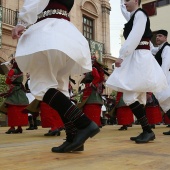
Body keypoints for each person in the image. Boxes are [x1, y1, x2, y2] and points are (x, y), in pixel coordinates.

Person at [12, 0, 100, 152]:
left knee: (42, 87)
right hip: (64, 32)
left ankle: (84, 124)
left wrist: (23, 21)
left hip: (48, 32)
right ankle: (74, 138)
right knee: (60, 88)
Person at [106, 0, 167, 143]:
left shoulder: (140, 14)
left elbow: (135, 36)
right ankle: (147, 130)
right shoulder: (135, 16)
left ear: (135, 1)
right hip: (138, 57)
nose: (124, 3)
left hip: (139, 58)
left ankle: (148, 130)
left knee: (129, 97)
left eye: (127, 0)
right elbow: (125, 12)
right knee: (136, 97)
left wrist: (122, 55)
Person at [0, 59, 29, 134]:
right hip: (20, 91)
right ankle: (19, 127)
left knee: (12, 109)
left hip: (14, 91)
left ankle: (12, 127)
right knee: (20, 109)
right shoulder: (21, 72)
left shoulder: (12, 71)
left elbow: (7, 81)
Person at [150, 29, 170, 135]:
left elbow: (166, 65)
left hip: (167, 78)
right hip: (164, 78)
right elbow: (152, 50)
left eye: (160, 36)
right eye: (157, 36)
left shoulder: (167, 48)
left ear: (165, 38)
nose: (157, 38)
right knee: (165, 103)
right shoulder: (160, 49)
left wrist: (161, 80)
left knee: (164, 101)